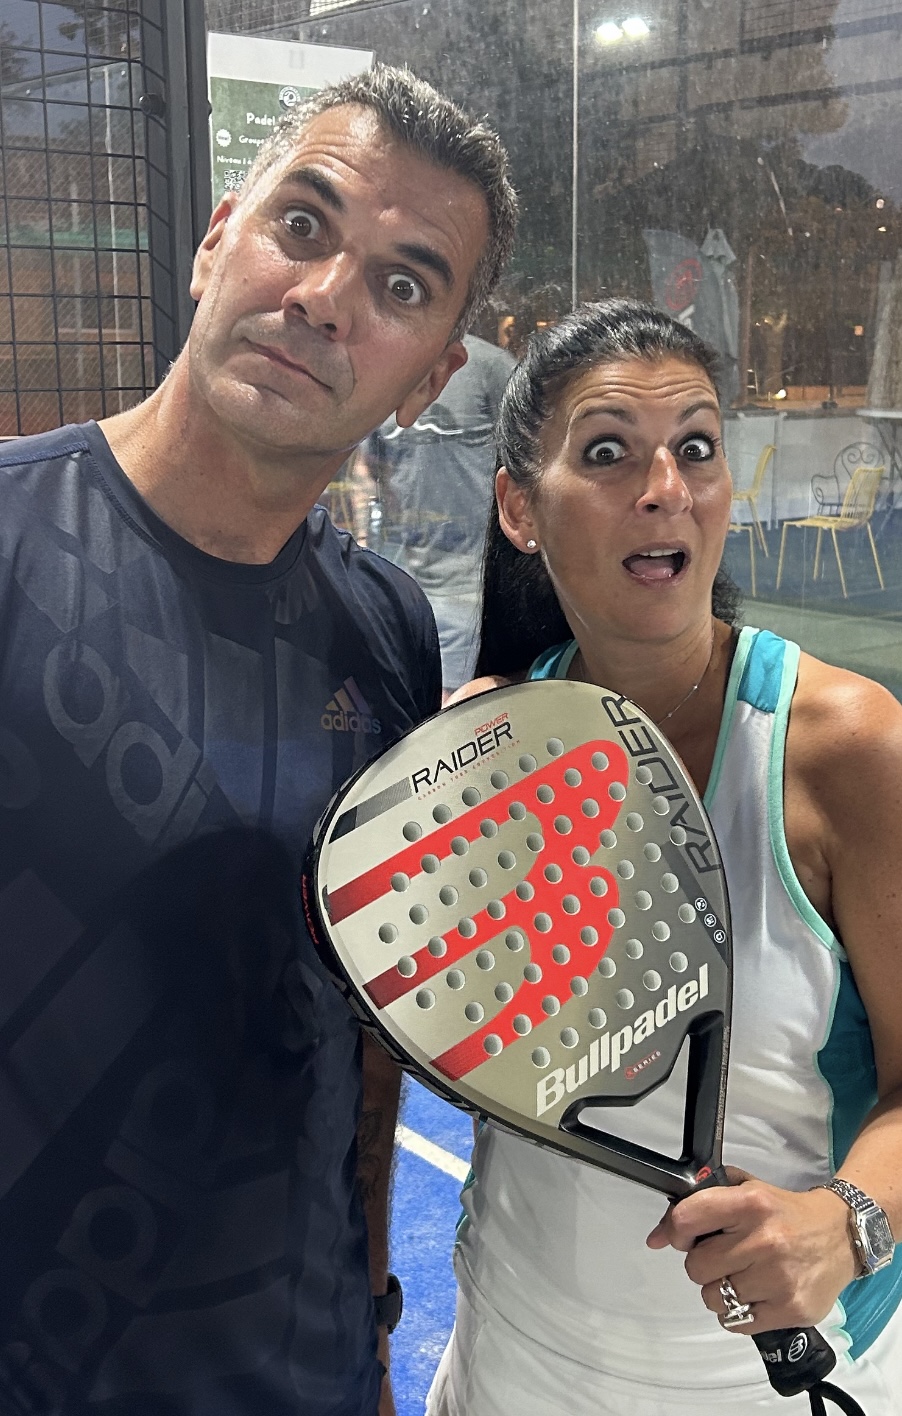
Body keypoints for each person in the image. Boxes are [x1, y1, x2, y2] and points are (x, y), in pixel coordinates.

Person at [0, 65, 516, 1416]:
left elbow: (359, 1038)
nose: (327, 296)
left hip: (304, 1372)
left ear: (427, 383)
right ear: (214, 240)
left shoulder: (387, 629)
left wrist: (366, 1316)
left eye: (400, 285)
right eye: (301, 224)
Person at [426, 299, 902, 1415]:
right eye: (607, 453)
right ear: (518, 507)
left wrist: (846, 1223)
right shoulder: (479, 748)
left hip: (784, 1380)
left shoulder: (846, 748)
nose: (663, 487)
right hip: (508, 1362)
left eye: (695, 447)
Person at [360, 333, 515, 694]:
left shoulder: (490, 368)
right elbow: (373, 470)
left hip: (472, 590)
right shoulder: (380, 369)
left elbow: (529, 465)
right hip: (405, 586)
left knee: (454, 710)